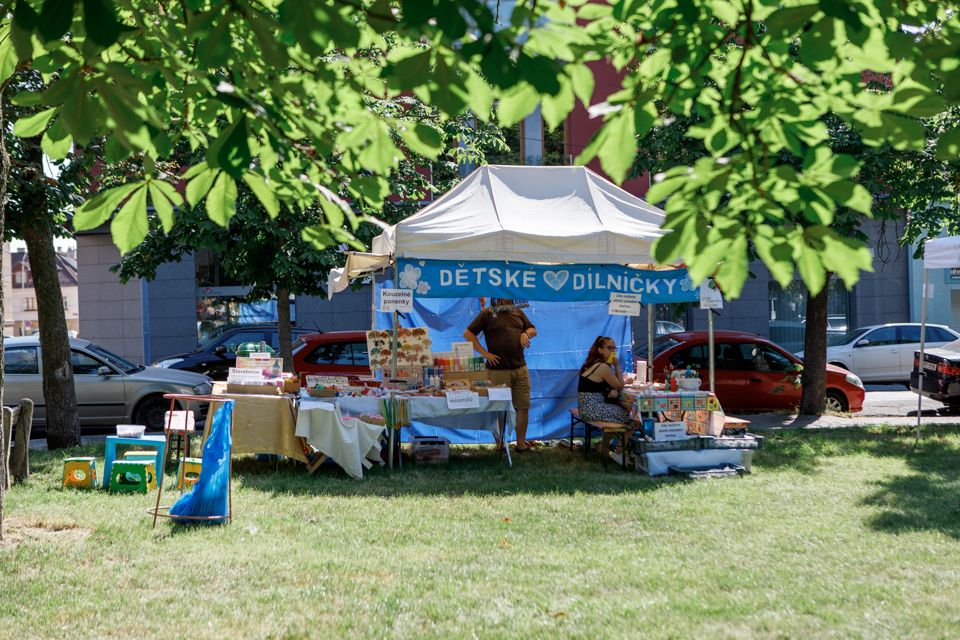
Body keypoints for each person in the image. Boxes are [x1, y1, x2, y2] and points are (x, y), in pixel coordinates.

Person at [464, 299, 537, 452]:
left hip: (520, 368)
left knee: (523, 406)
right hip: (497, 370)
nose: (506, 297)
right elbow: (468, 333)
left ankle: (521, 445)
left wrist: (525, 333)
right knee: (498, 407)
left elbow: (533, 329)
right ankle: (500, 444)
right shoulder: (487, 314)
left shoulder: (517, 311)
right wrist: (485, 354)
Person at [577, 336, 629, 423]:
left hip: (586, 410)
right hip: (592, 410)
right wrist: (616, 365)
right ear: (600, 350)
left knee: (620, 410)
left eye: (614, 348)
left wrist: (612, 390)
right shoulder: (602, 366)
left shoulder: (593, 363)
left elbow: (607, 385)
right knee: (630, 414)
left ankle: (613, 436)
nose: (612, 351)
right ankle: (624, 436)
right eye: (609, 348)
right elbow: (620, 386)